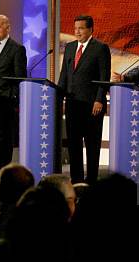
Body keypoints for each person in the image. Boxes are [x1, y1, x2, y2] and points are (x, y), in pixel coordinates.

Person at [58, 15, 111, 184]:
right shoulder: (70, 47)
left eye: (81, 28)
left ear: (90, 29)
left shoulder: (100, 48)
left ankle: (92, 180)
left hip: (91, 105)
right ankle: (76, 179)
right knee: (74, 144)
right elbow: (64, 75)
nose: (77, 31)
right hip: (73, 103)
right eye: (75, 28)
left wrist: (99, 99)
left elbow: (104, 77)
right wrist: (60, 98)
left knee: (92, 144)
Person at [0, 15, 27, 173]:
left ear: (8, 28)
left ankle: (3, 173)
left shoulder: (17, 49)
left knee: (4, 140)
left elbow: (20, 77)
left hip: (5, 102)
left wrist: (12, 96)